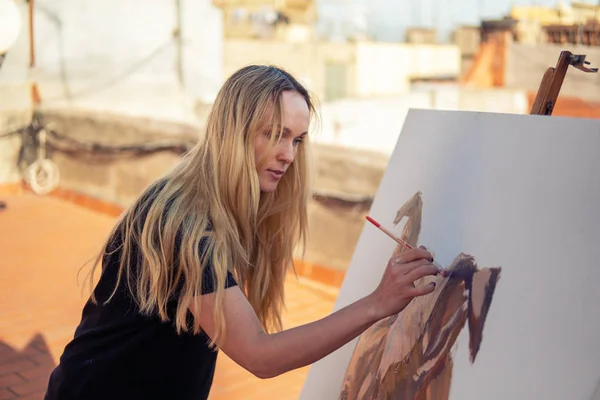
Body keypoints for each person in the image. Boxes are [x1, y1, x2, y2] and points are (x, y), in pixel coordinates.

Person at [44, 65, 440, 400]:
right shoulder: (186, 227)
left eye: (297, 139)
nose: (289, 154)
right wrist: (376, 303)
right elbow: (260, 356)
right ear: (235, 131)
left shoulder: (220, 204)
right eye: (275, 134)